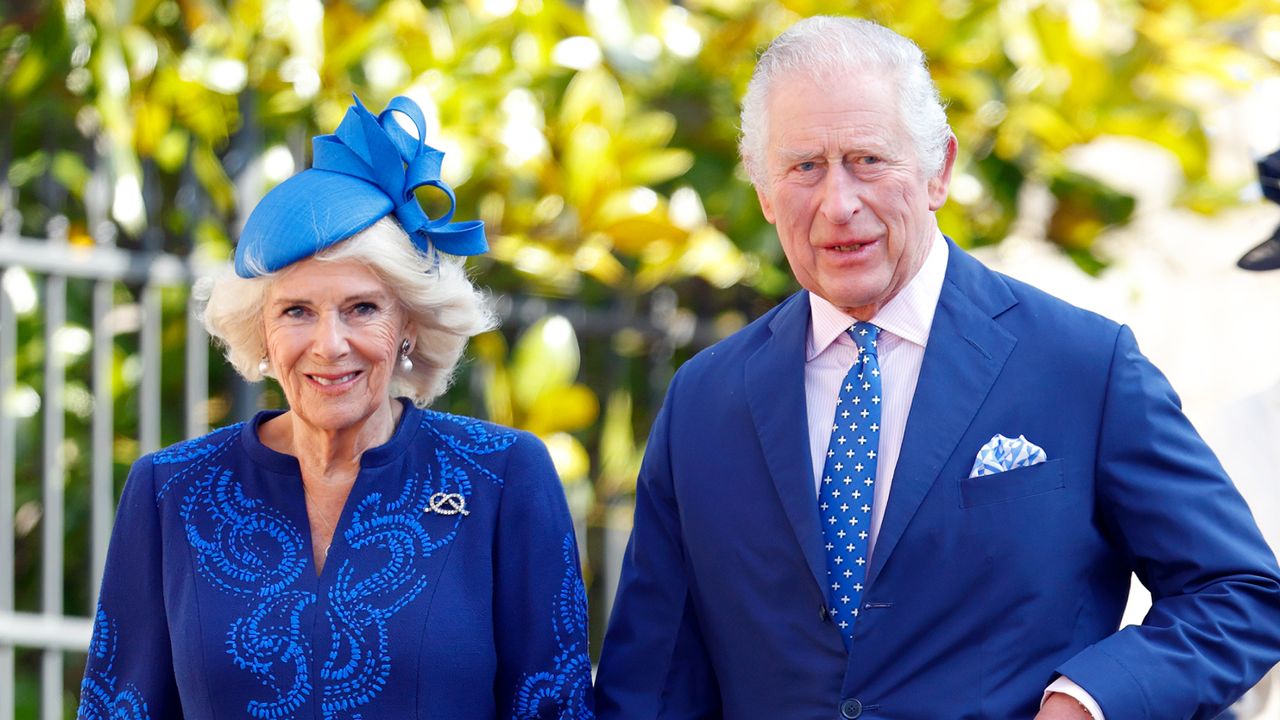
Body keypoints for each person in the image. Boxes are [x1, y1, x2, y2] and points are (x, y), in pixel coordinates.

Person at [594, 16, 1280, 720]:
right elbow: (652, 680)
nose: (838, 204)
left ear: (939, 171)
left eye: (868, 160)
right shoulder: (706, 399)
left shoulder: (1081, 366)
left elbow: (1238, 593)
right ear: (765, 192)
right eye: (804, 167)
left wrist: (1089, 700)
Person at [76, 95, 594, 719]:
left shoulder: (500, 477)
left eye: (362, 308)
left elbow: (555, 707)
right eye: (296, 311)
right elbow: (118, 709)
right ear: (260, 332)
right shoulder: (172, 491)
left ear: (409, 323)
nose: (329, 345)